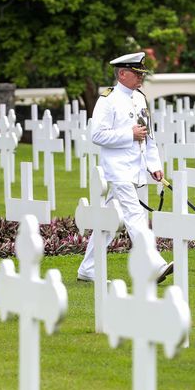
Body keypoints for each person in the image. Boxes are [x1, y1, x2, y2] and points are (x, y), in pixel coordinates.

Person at [77, 51, 173, 284]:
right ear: (122, 74)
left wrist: (154, 164)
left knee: (108, 222)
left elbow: (147, 135)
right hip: (117, 169)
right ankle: (155, 263)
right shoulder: (107, 100)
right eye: (136, 73)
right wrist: (127, 134)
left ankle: (88, 269)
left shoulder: (139, 98)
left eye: (141, 74)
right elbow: (97, 135)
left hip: (136, 169)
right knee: (134, 215)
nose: (141, 78)